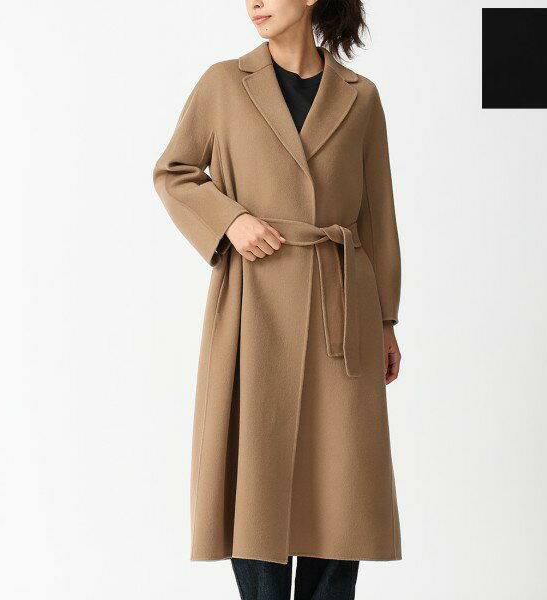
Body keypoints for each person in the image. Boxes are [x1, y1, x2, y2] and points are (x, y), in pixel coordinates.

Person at [153, 1, 402, 598]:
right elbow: (174, 171)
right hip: (254, 308)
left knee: (341, 493)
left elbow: (378, 217)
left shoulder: (361, 97)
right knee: (255, 485)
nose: (254, 2)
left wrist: (386, 321)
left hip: (342, 311)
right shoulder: (223, 84)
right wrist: (229, 220)